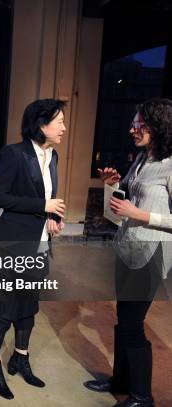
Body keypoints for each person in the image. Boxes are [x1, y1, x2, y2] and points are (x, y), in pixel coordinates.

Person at [84, 98, 172, 407]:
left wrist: (142, 215)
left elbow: (141, 211)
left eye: (140, 124)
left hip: (150, 255)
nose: (132, 128)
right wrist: (113, 185)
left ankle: (142, 397)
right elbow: (125, 205)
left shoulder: (171, 165)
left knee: (133, 325)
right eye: (133, 123)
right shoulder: (142, 159)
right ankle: (121, 380)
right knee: (123, 320)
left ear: (158, 126)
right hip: (127, 250)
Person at [0, 99, 67, 399]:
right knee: (4, 306)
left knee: (29, 306)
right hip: (11, 244)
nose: (63, 127)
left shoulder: (53, 156)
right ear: (41, 124)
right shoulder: (13, 154)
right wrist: (42, 206)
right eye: (58, 121)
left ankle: (21, 357)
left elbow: (49, 196)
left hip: (40, 244)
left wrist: (52, 218)